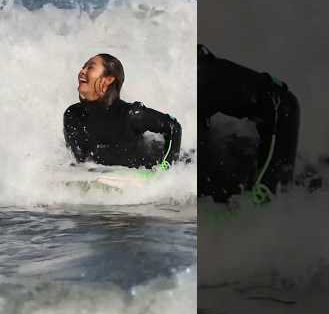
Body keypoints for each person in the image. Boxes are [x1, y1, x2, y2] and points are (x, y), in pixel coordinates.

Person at [198, 44, 300, 203]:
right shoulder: (200, 86)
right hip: (260, 121)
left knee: (271, 194)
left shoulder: (211, 80)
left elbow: (286, 103)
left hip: (283, 111)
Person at [64, 54, 181, 169]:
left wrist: (166, 168)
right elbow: (80, 161)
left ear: (109, 79)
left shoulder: (131, 115)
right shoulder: (73, 115)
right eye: (83, 67)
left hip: (155, 163)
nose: (82, 71)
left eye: (90, 67)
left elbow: (173, 126)